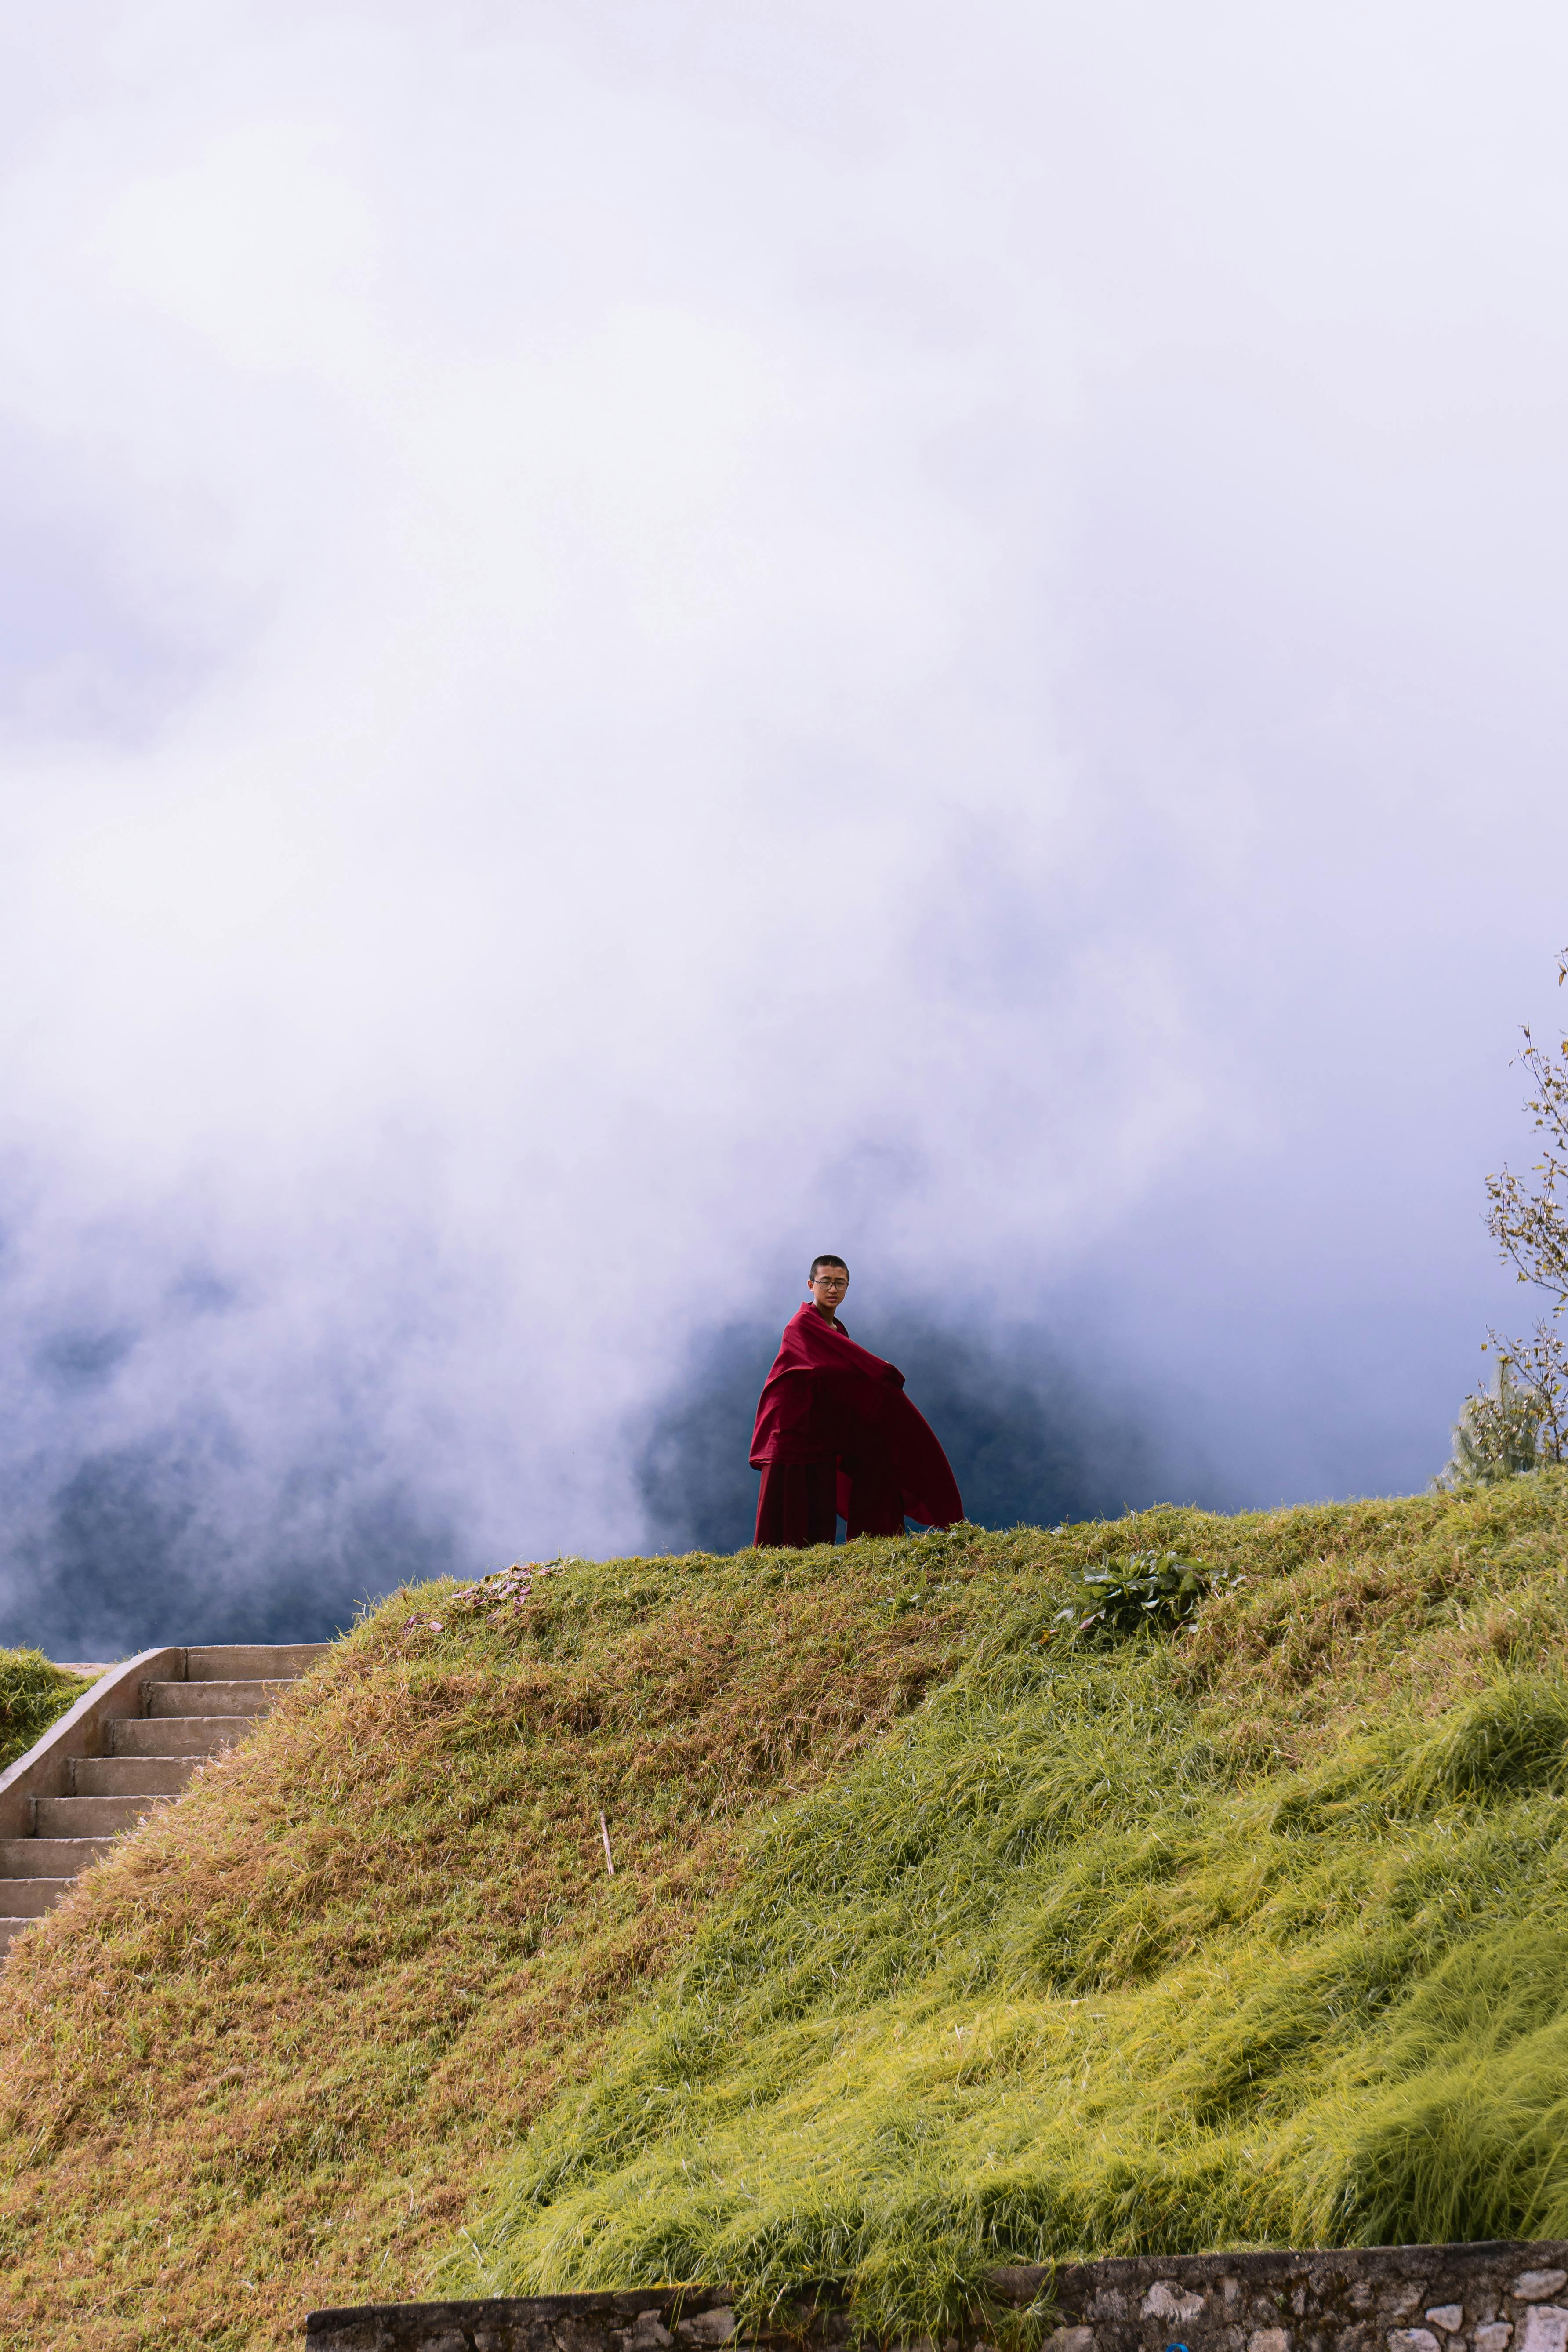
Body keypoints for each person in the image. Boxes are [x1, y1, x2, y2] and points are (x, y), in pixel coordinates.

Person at [750, 1256, 963, 1548]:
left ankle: (859, 1545)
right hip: (791, 1430)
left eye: (840, 1283)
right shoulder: (800, 1326)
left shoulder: (837, 1329)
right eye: (826, 1282)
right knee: (790, 1511)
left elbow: (842, 1379)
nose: (833, 1289)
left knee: (827, 1500)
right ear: (811, 1285)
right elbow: (830, 1370)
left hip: (819, 1430)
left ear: (848, 1287)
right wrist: (879, 1371)